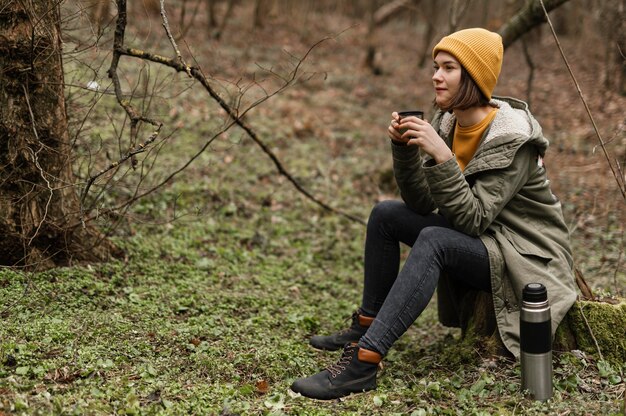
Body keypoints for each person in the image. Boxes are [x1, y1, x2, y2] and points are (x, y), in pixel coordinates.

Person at [290, 28, 578, 400]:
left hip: (523, 254)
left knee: (435, 239)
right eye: (435, 67)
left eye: (448, 68)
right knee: (385, 214)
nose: (435, 76)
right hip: (485, 238)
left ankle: (363, 363)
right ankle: (365, 326)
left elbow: (473, 219)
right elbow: (422, 203)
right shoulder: (449, 121)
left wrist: (442, 157)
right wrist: (405, 151)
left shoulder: (514, 140)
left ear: (472, 78)